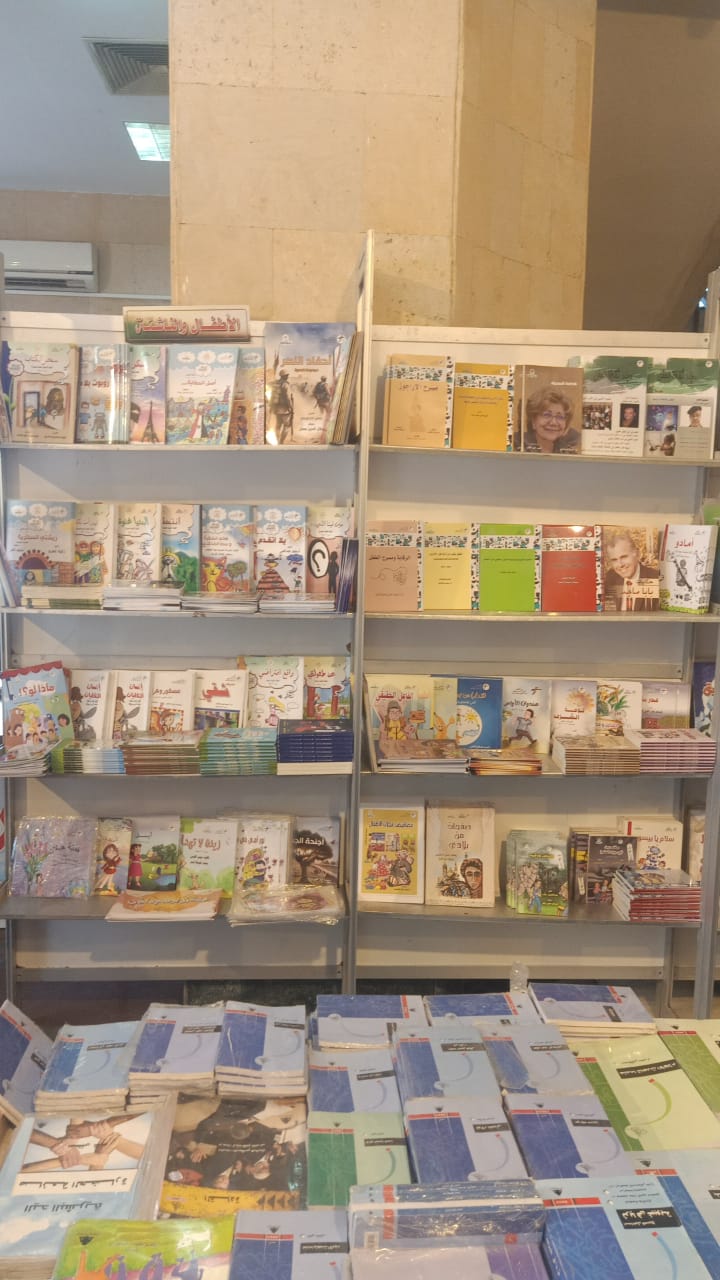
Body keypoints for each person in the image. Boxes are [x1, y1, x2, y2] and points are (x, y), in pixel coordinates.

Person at [603, 531, 659, 612]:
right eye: (614, 560)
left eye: (624, 557)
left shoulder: (655, 578)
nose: (620, 564)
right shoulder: (610, 578)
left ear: (637, 554)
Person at [520, 387, 580, 454]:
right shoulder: (518, 448)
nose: (553, 422)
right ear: (533, 420)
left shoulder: (570, 451)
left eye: (560, 417)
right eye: (547, 415)